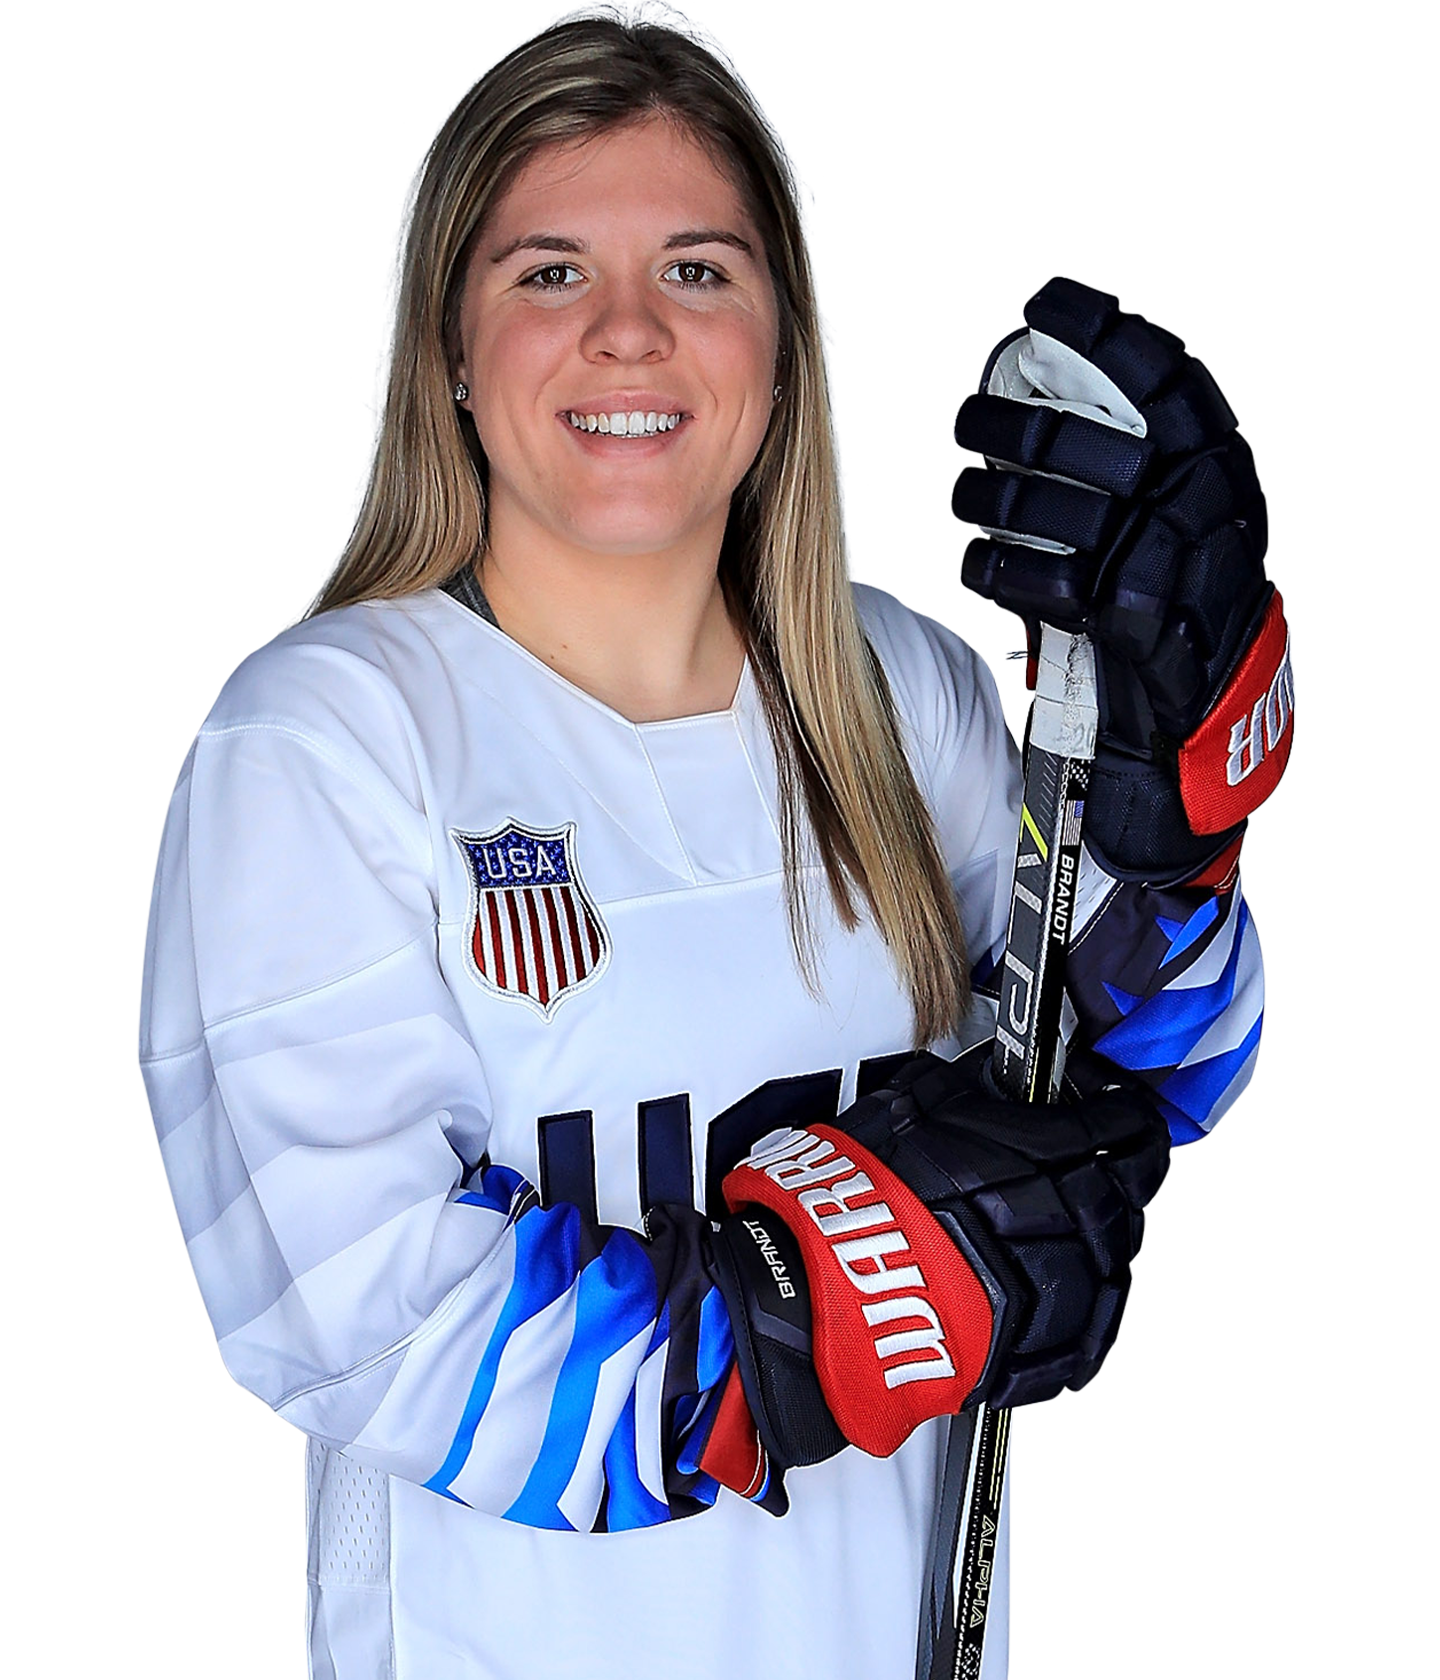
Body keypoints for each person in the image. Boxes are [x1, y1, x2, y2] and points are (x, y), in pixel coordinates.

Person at [139, 15, 1290, 1680]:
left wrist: (1169, 778)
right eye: (550, 273)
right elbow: (364, 1322)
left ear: (780, 344)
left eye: (696, 269)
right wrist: (815, 1313)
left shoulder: (894, 687)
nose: (627, 330)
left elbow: (1150, 1082)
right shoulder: (332, 736)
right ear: (450, 347)